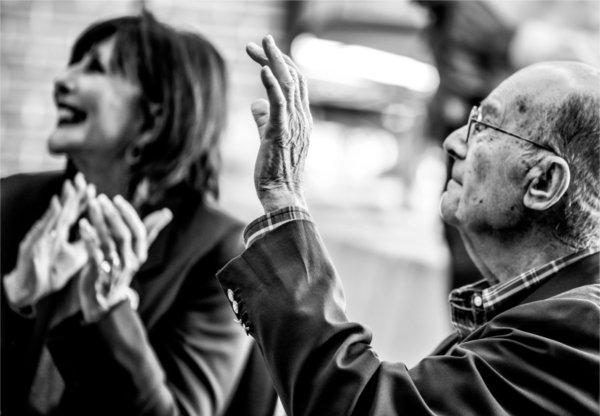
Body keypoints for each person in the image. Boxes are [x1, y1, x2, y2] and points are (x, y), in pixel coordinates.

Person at [216, 35, 600, 415]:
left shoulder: (578, 330)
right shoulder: (552, 316)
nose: (453, 142)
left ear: (543, 183)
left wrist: (283, 194)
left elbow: (366, 407)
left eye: (484, 127)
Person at [1, 13, 276, 416]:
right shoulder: (11, 201)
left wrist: (112, 312)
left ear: (152, 119)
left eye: (95, 68)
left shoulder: (220, 251)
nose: (63, 80)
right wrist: (13, 294)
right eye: (74, 63)